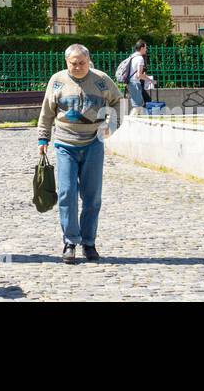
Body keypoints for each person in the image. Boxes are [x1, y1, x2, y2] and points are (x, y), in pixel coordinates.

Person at [37, 43, 124, 264]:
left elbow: (118, 102)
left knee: (92, 197)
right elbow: (47, 111)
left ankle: (89, 242)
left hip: (93, 143)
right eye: (73, 63)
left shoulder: (101, 80)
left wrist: (111, 125)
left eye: (82, 63)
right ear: (67, 62)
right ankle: (70, 241)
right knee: (67, 194)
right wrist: (43, 137)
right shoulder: (57, 81)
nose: (78, 67)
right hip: (65, 143)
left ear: (88, 60)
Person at [126, 40, 149, 113]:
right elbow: (139, 75)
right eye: (145, 48)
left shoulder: (132, 56)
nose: (146, 49)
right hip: (135, 84)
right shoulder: (140, 58)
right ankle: (128, 122)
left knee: (138, 106)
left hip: (130, 83)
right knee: (138, 107)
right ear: (142, 48)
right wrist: (148, 78)